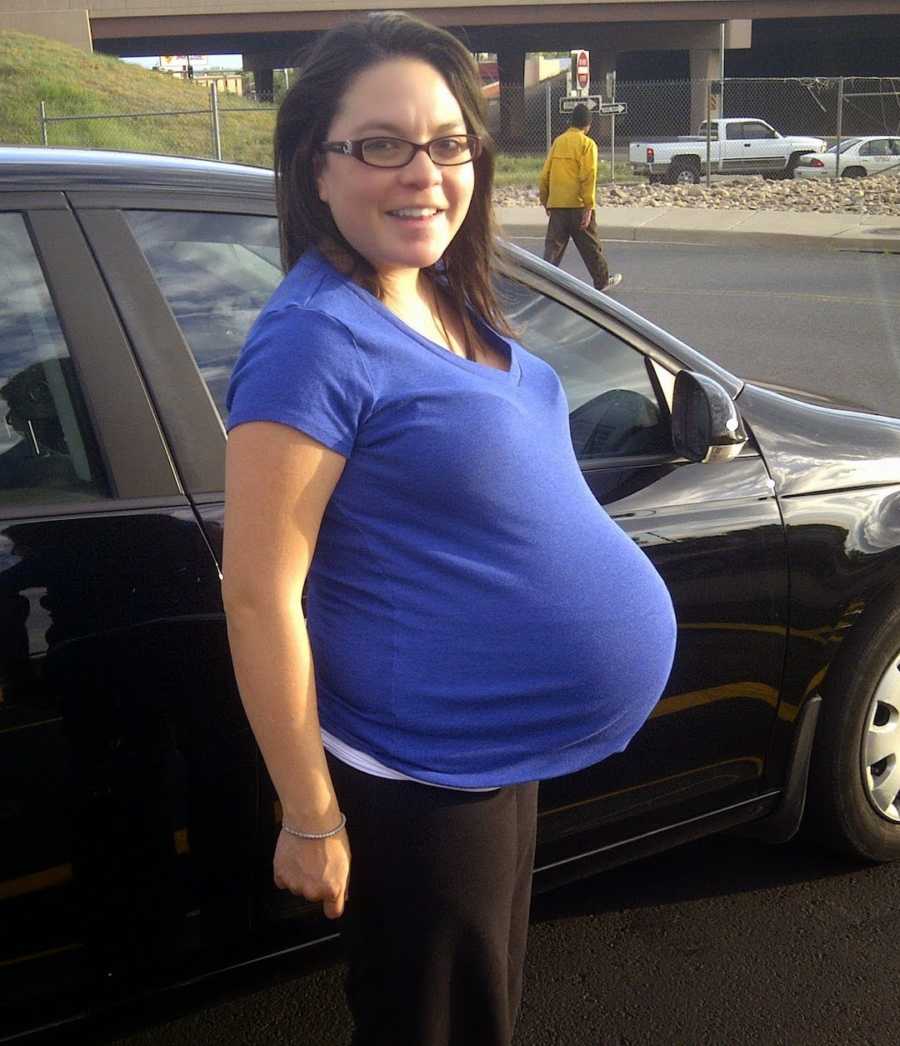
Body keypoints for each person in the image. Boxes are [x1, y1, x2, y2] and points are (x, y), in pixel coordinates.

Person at [222, 13, 675, 1046]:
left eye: (447, 142)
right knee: (434, 1024)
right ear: (317, 167)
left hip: (488, 750)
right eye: (380, 143)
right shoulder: (312, 340)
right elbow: (258, 593)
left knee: (483, 1008)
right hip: (416, 773)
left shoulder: (430, 291)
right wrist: (310, 814)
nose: (422, 171)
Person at [539, 102, 623, 291]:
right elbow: (588, 175)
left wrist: (546, 201)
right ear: (588, 125)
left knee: (553, 249)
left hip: (558, 205)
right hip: (578, 206)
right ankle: (601, 281)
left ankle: (542, 283)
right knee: (591, 247)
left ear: (571, 122)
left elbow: (545, 175)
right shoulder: (587, 145)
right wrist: (588, 206)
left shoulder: (558, 142)